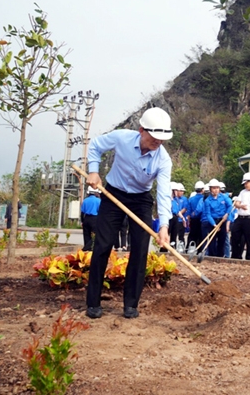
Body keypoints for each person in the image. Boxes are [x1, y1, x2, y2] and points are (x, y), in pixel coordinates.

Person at [84, 107, 173, 320]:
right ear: (141, 130)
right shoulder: (121, 138)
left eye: (162, 138)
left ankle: (131, 304)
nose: (158, 142)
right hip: (113, 194)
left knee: (141, 249)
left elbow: (163, 193)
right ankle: (93, 302)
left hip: (141, 199)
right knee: (103, 246)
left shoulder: (163, 159)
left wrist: (163, 226)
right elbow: (95, 146)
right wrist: (94, 170)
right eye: (154, 137)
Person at [202, 179, 232, 258]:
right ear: (210, 189)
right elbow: (208, 214)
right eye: (214, 188)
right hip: (213, 222)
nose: (216, 190)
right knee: (212, 240)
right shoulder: (207, 201)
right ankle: (212, 256)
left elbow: (230, 206)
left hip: (222, 220)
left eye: (217, 188)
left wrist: (227, 214)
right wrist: (214, 225)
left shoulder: (224, 197)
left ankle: (220, 256)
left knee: (222, 239)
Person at [80, 187, 101, 251]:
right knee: (95, 235)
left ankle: (87, 248)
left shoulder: (85, 200)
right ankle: (88, 247)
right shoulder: (98, 201)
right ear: (96, 193)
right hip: (95, 219)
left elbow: (82, 212)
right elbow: (100, 211)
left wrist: (82, 221)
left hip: (86, 218)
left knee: (86, 234)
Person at [188, 181, 206, 252]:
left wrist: (189, 217)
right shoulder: (204, 198)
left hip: (193, 219)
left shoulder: (191, 199)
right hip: (201, 219)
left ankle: (190, 250)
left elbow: (188, 210)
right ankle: (200, 250)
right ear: (202, 189)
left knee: (192, 235)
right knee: (200, 235)